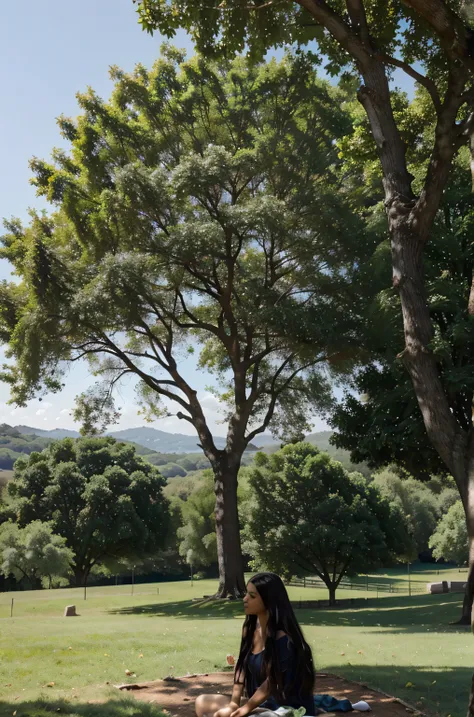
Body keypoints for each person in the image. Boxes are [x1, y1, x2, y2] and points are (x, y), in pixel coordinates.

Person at [195, 573, 369, 717]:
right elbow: (241, 666)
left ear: (269, 600)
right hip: (258, 704)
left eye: (252, 595)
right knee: (201, 701)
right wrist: (234, 703)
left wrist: (246, 709)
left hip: (287, 709)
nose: (245, 598)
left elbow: (271, 682)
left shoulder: (285, 640)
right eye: (247, 593)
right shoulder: (249, 629)